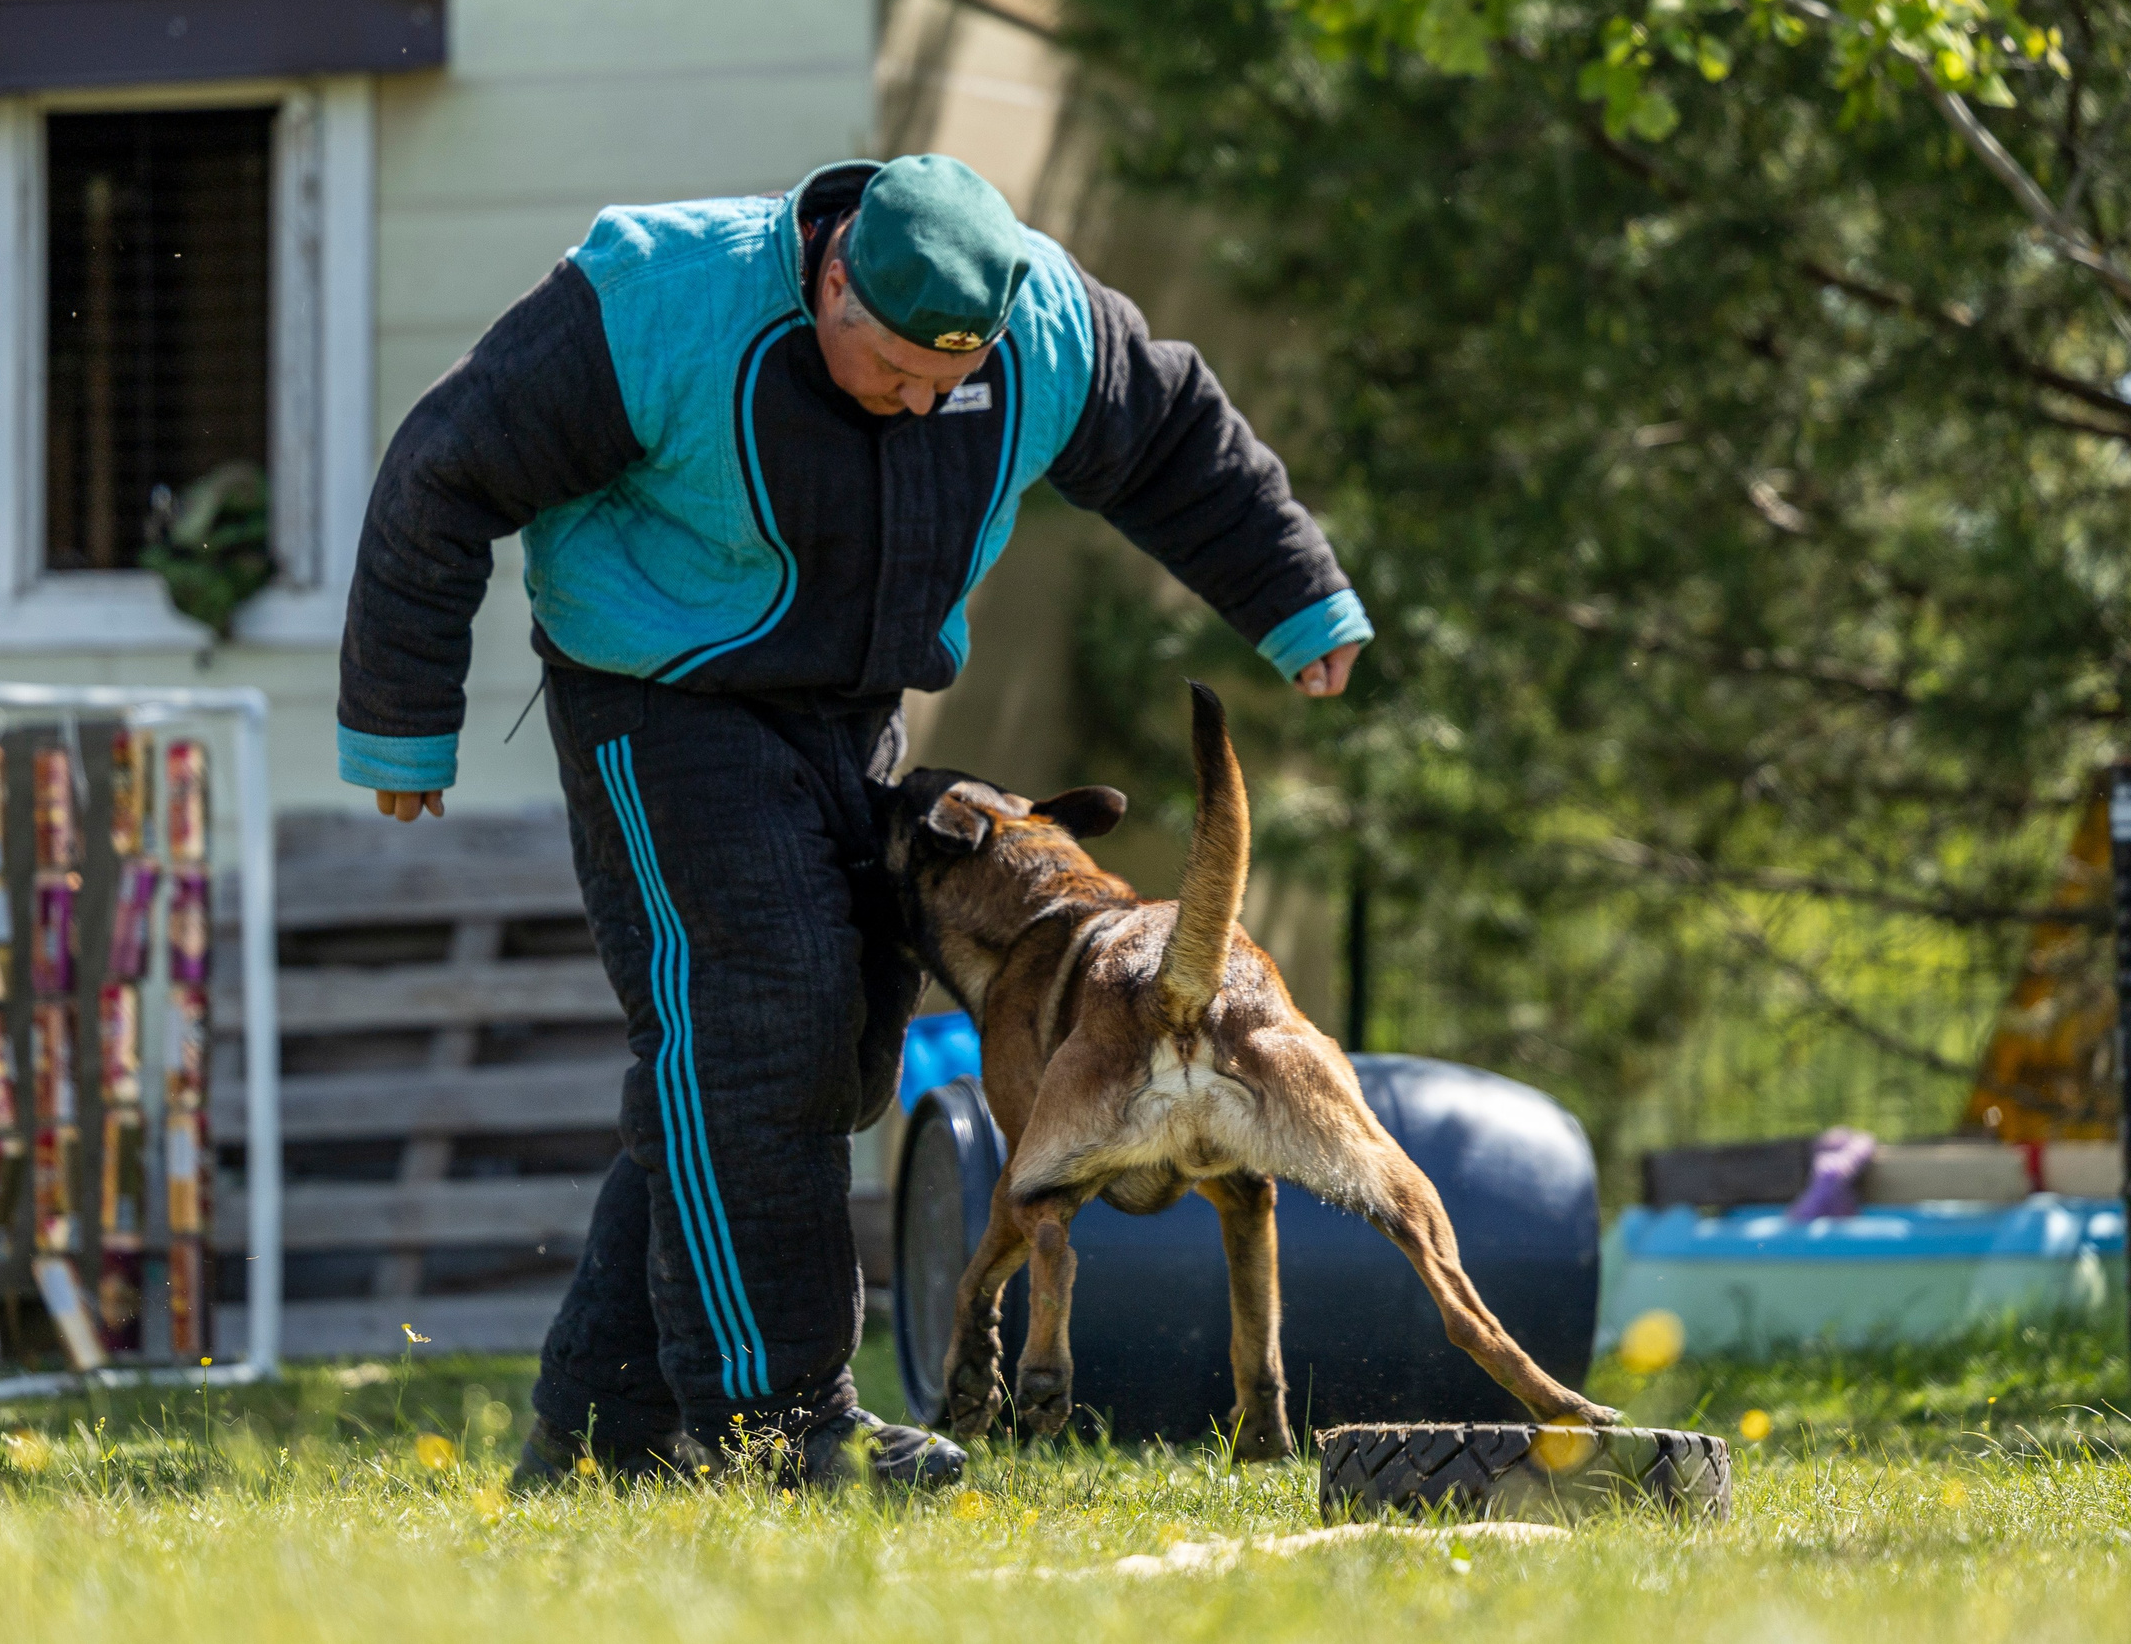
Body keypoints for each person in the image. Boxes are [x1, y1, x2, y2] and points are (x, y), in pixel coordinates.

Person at [337, 155, 1369, 1488]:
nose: (920, 402)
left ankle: (604, 1427)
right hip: (660, 701)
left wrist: (1297, 595)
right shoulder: (663, 300)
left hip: (854, 708)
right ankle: (778, 1428)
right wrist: (404, 721)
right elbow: (445, 466)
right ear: (830, 277)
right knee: (763, 1014)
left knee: (810, 1055)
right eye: (889, 370)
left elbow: (1169, 434)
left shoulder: (1043, 322)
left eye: (949, 381)